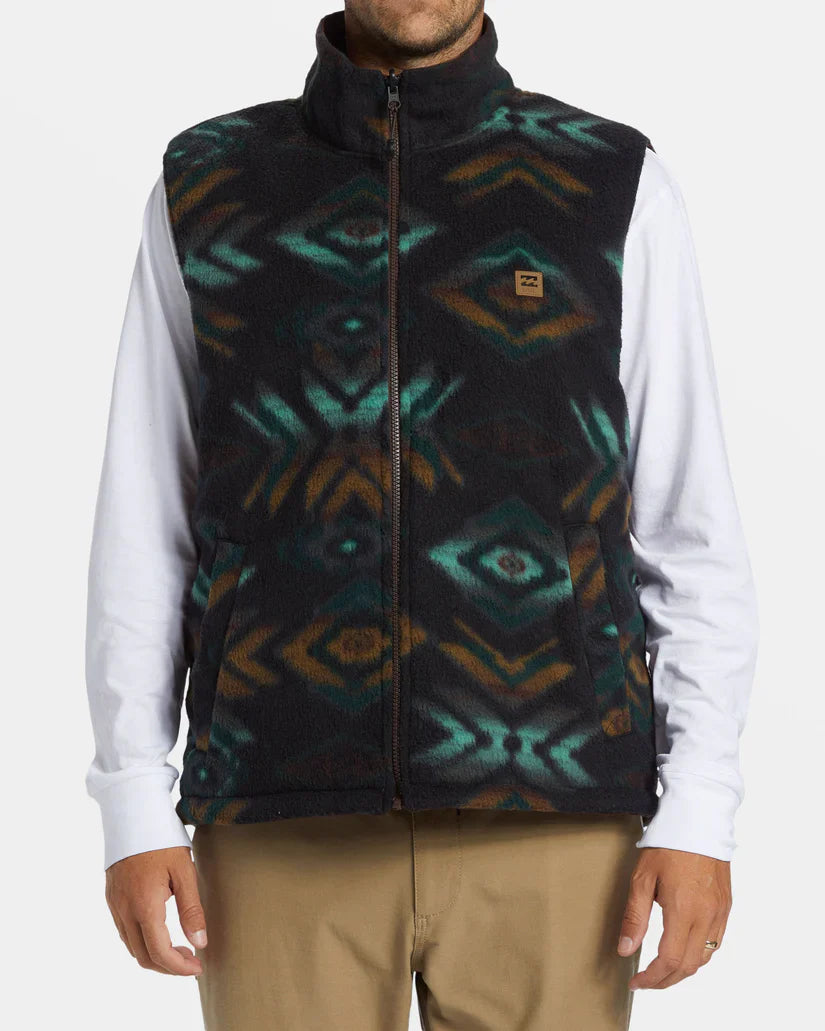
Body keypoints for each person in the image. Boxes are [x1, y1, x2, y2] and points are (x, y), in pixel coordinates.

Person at [85, 3, 759, 1028]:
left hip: (555, 810)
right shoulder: (211, 183)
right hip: (277, 812)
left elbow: (685, 526)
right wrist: (132, 796)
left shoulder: (609, 181)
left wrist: (700, 805)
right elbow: (147, 519)